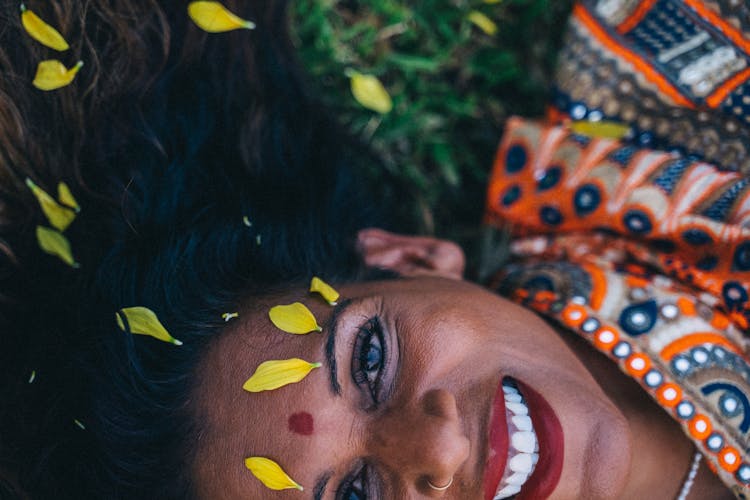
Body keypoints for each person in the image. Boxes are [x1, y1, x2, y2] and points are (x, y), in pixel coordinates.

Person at [0, 2, 745, 500]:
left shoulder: (688, 66)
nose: (441, 447)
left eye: (369, 359)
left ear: (412, 259)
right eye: (354, 496)